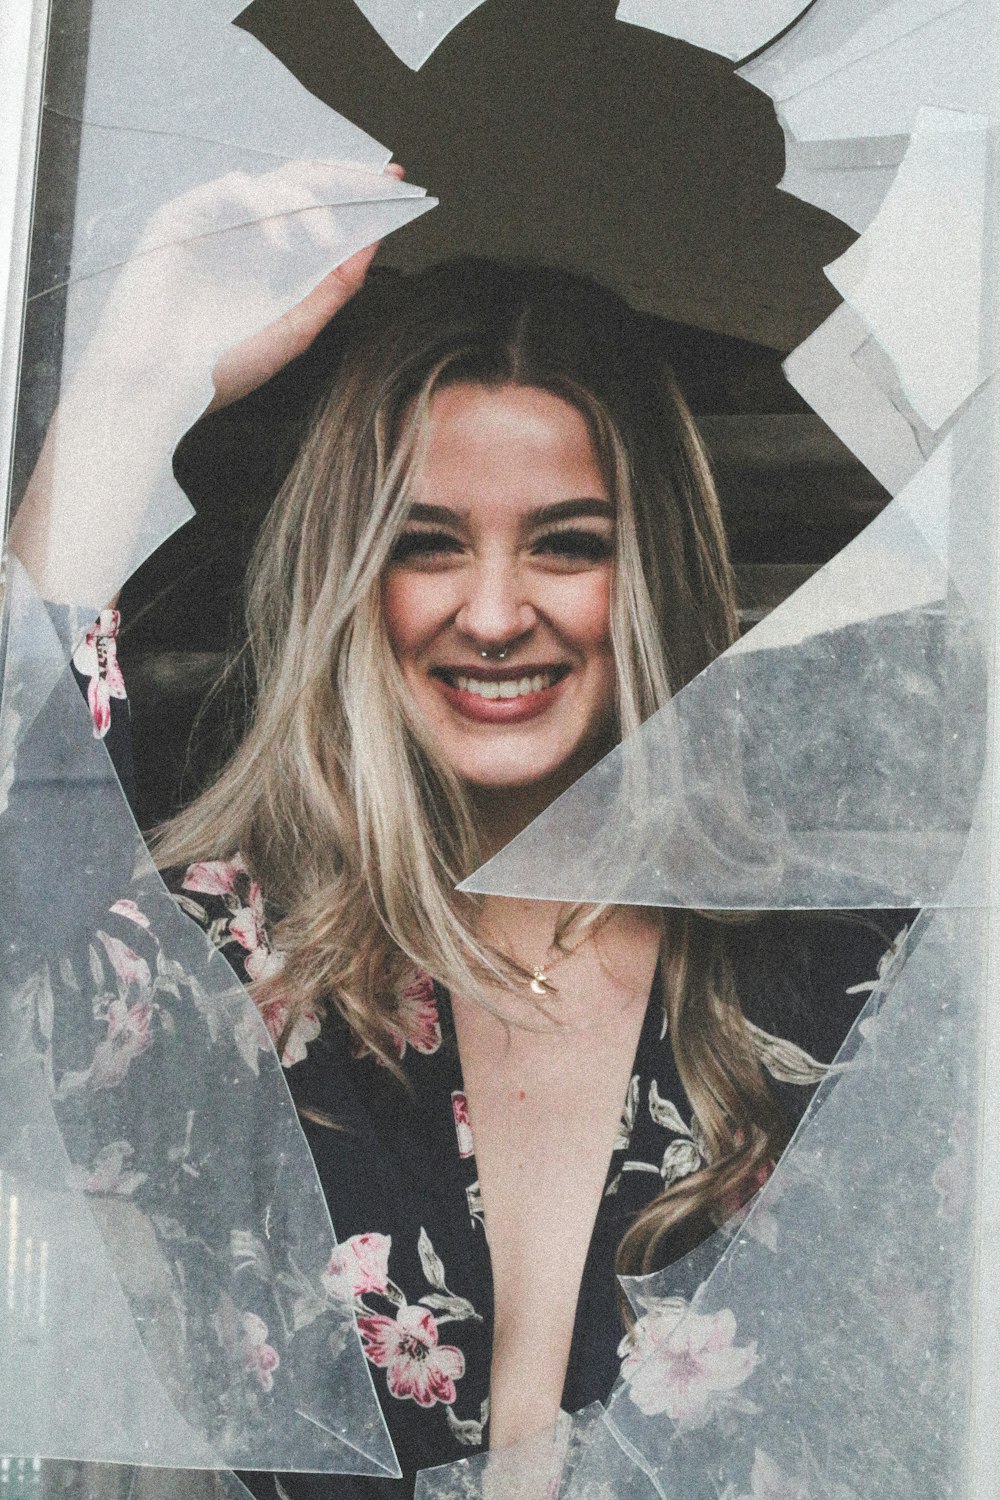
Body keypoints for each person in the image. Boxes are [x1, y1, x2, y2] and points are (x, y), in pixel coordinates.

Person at [60, 248, 900, 1496]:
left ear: (650, 573)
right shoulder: (231, 978)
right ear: (352, 577)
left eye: (565, 545)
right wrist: (127, 399)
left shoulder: (850, 985)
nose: (497, 613)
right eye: (428, 546)